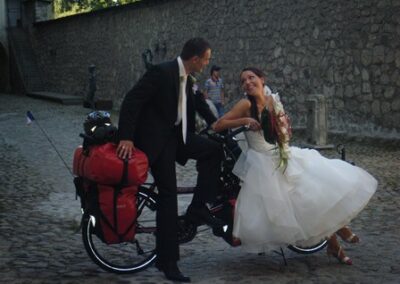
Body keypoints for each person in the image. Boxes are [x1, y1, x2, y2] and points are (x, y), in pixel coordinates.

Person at [212, 67, 377, 265]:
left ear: (262, 79)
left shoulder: (272, 100)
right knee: (302, 200)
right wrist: (245, 120)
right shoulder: (245, 103)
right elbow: (218, 125)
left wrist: (283, 131)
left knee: (313, 192)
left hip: (281, 154)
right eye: (243, 81)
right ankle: (337, 235)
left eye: (251, 77)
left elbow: (283, 132)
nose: (247, 82)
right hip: (263, 163)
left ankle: (334, 241)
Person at [117, 38, 224, 282]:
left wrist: (216, 124)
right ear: (195, 58)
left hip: (179, 138)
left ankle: (199, 208)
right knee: (168, 195)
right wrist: (126, 137)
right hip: (158, 142)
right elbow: (132, 100)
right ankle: (168, 262)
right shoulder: (162, 72)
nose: (207, 63)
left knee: (214, 150)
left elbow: (197, 102)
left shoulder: (188, 77)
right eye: (206, 59)